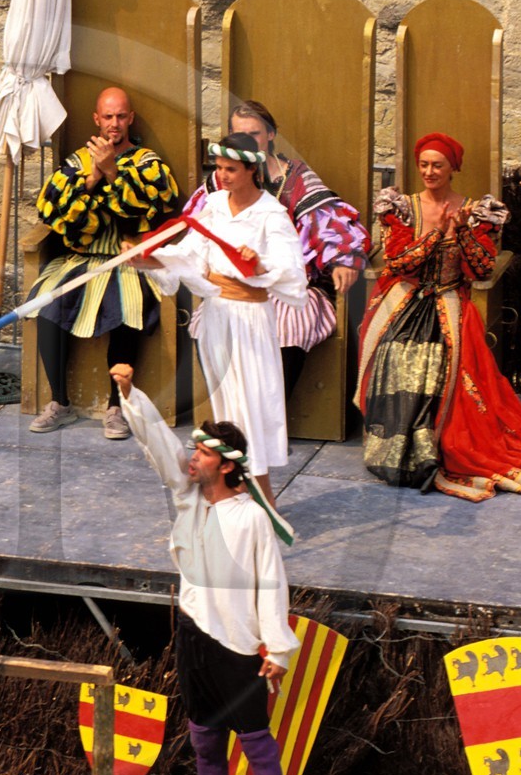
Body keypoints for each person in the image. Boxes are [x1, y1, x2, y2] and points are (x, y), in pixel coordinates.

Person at [110, 362, 298, 775]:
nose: (192, 458)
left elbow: (271, 585)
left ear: (229, 466)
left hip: (238, 643)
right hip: (193, 632)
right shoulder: (188, 497)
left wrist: (276, 650)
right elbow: (158, 444)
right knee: (203, 736)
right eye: (194, 450)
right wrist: (130, 393)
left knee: (256, 741)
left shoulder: (253, 518)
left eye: (203, 453)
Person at [356, 132, 521, 502]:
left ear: (454, 167)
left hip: (449, 300)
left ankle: (436, 450)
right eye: (424, 165)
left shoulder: (475, 210)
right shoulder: (402, 207)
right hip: (406, 297)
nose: (429, 171)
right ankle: (402, 450)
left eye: (437, 165)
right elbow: (399, 261)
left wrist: (462, 233)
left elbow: (482, 268)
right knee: (390, 351)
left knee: (453, 372)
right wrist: (438, 233)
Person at [137, 134, 306, 509]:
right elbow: (189, 255)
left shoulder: (270, 214)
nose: (222, 175)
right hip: (216, 316)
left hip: (249, 321)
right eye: (219, 168)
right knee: (226, 409)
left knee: (251, 406)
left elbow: (293, 273)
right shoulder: (212, 205)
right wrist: (150, 260)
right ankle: (232, 496)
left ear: (252, 170)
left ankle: (263, 500)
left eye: (231, 169)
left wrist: (260, 264)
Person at [186, 101, 369, 396]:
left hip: (286, 286)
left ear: (270, 135)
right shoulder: (222, 180)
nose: (248, 141)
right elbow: (195, 227)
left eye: (255, 133)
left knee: (287, 323)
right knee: (206, 325)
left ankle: (271, 415)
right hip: (235, 286)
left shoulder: (296, 178)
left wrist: (344, 259)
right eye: (239, 133)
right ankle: (230, 416)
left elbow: (330, 225)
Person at [28, 87, 181, 439]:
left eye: (121, 116)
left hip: (127, 258)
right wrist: (94, 176)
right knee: (47, 304)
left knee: (126, 309)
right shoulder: (77, 160)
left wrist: (113, 172)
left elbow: (151, 206)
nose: (115, 124)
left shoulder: (147, 161)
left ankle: (116, 407)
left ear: (131, 119)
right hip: (80, 260)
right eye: (108, 117)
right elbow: (53, 210)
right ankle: (60, 403)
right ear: (97, 119)